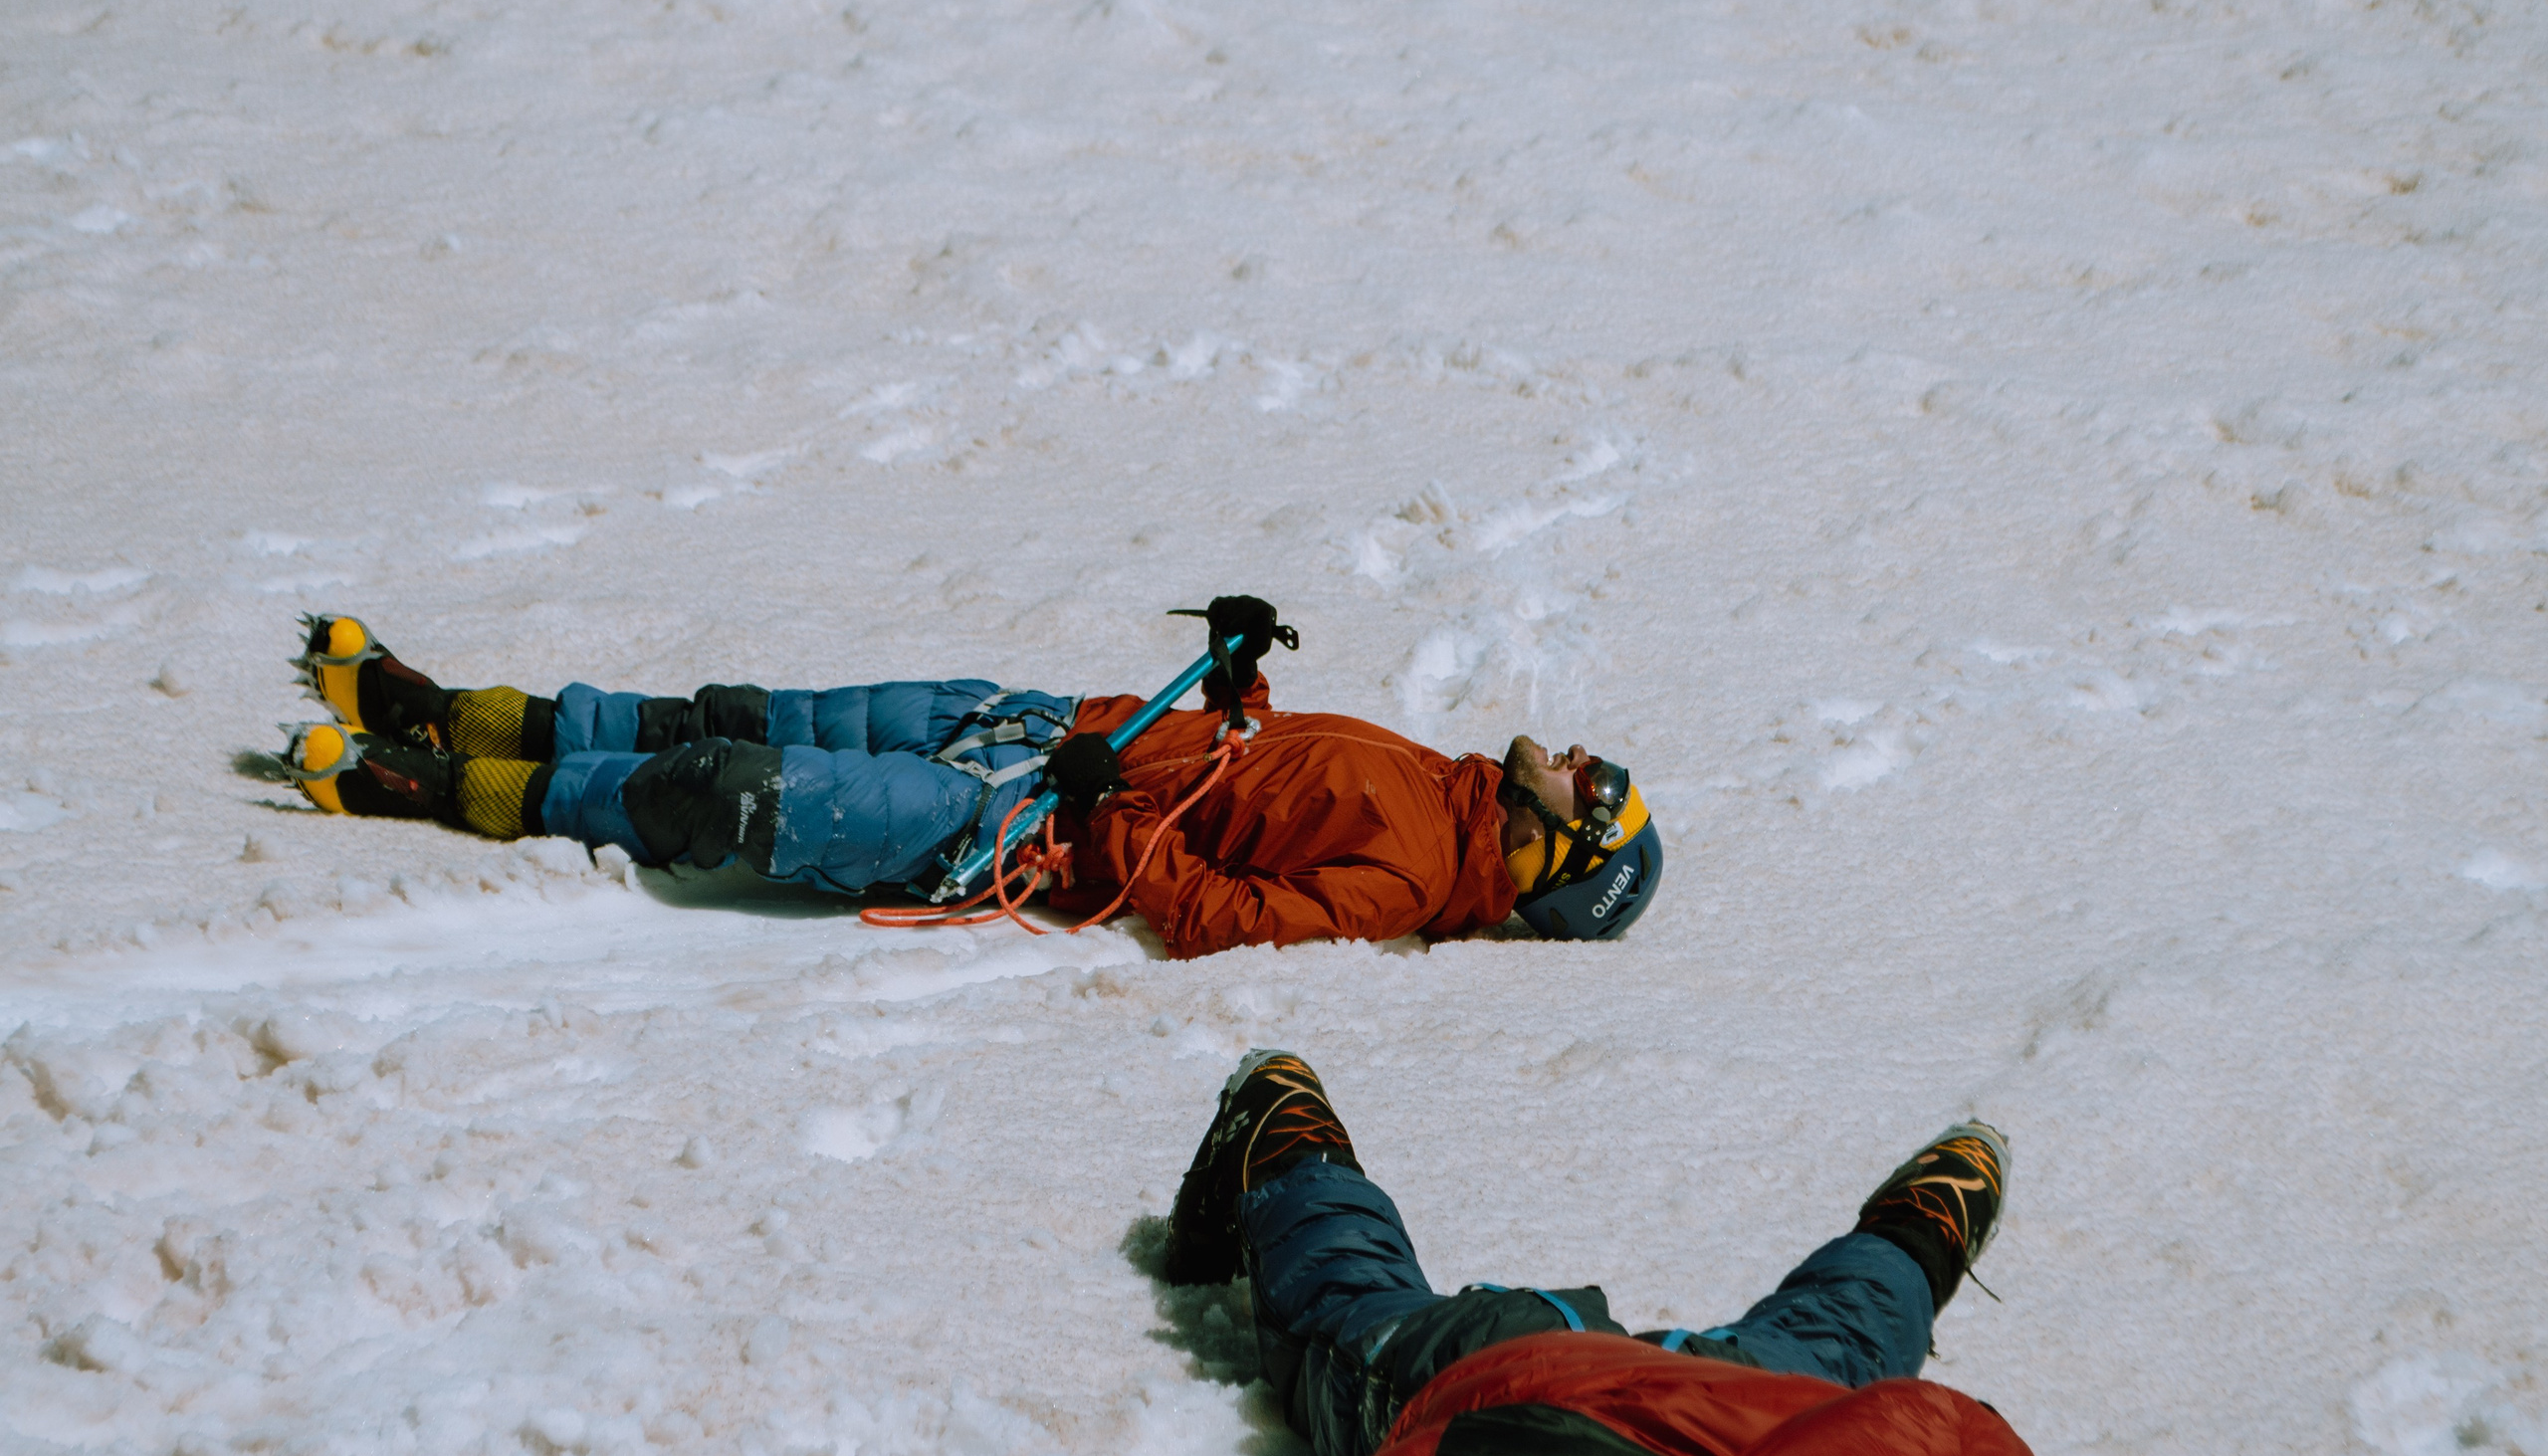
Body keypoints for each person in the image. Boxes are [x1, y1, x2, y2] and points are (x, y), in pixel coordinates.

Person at [273, 598, 1663, 956]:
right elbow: (1262, 775)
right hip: (1045, 724)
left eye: (1596, 794)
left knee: (720, 782)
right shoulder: (1447, 783)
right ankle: (463, 711)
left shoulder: (1419, 873)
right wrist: (1239, 681)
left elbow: (1231, 914)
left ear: (1559, 862)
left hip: (1025, 821)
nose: (1584, 761)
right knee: (734, 708)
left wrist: (1091, 816)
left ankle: (433, 785)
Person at [1160, 1050, 2067, 1456]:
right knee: (1339, 1312)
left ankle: (1928, 1220)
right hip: (1518, 1382)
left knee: (1843, 1344)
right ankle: (1281, 1122)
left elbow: (1934, 1444)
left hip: (1765, 1411)